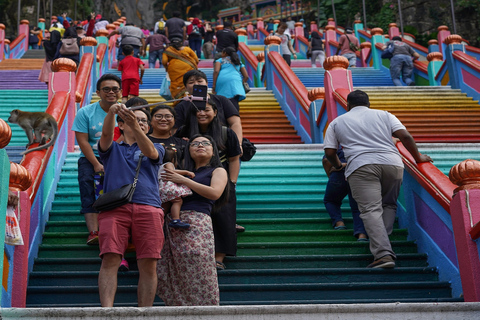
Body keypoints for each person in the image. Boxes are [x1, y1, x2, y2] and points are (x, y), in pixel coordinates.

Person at [323, 90, 432, 269]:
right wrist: (418, 157)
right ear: (368, 103)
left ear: (348, 105)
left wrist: (337, 165)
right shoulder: (385, 115)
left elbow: (329, 152)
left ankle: (383, 254)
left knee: (370, 210)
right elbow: (405, 136)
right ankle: (382, 241)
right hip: (393, 164)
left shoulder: (337, 122)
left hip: (361, 166)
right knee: (389, 205)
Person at [97, 103, 165, 307]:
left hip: (149, 207)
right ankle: (106, 312)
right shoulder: (112, 149)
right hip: (114, 209)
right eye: (136, 119)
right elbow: (106, 135)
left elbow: (151, 153)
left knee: (149, 263)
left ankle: (145, 312)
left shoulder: (157, 147)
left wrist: (134, 125)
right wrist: (111, 112)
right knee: (110, 259)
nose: (141, 123)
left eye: (144, 121)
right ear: (122, 124)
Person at [156, 134, 228, 305]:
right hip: (172, 223)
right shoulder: (181, 170)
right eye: (194, 144)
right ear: (188, 150)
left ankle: (205, 310)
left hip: (198, 221)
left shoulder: (217, 170)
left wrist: (182, 180)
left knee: (199, 265)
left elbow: (214, 193)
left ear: (213, 150)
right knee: (171, 270)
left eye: (205, 143)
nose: (200, 146)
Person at [71, 74, 122, 245]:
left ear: (120, 92)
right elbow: (83, 141)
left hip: (119, 158)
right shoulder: (85, 112)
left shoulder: (125, 111)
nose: (111, 92)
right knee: (88, 190)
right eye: (106, 89)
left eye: (115, 89)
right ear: (98, 92)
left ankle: (117, 231)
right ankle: (93, 232)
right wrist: (96, 163)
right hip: (91, 158)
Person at [174, 70, 243, 146]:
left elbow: (235, 122)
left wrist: (238, 144)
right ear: (186, 87)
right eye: (191, 82)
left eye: (200, 81)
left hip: (221, 144)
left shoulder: (222, 100)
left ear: (206, 83)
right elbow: (175, 129)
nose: (196, 84)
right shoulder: (181, 106)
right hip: (194, 147)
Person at [323, 148, 367, 241]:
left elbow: (326, 160)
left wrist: (330, 177)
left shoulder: (339, 146)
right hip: (357, 174)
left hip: (338, 174)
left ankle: (339, 223)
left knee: (330, 201)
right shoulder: (362, 145)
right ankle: (361, 234)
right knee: (358, 206)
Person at [158, 147, 194, 229]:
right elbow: (172, 172)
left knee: (165, 204)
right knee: (178, 201)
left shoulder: (159, 167)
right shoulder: (168, 164)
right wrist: (186, 172)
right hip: (167, 186)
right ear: (173, 159)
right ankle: (175, 220)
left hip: (161, 187)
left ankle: (158, 219)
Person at [212, 46, 249, 111]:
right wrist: (241, 83)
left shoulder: (220, 60)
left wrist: (214, 85)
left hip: (222, 80)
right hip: (236, 80)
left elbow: (216, 71)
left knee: (222, 100)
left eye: (222, 52)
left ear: (225, 53)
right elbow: (246, 76)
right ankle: (235, 116)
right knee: (234, 101)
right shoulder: (238, 62)